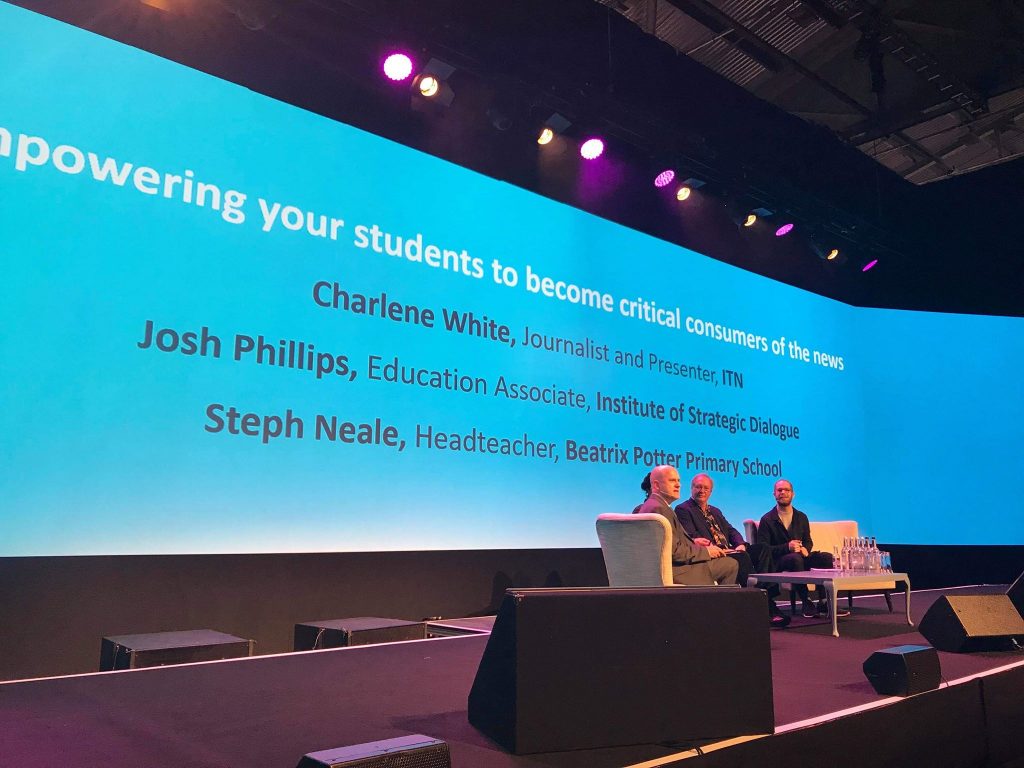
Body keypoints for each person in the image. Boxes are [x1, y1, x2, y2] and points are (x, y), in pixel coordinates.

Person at [676, 473, 790, 628]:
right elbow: (691, 535)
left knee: (762, 549)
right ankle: (767, 609)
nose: (701, 490)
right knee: (742, 559)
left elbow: (731, 531)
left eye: (705, 488)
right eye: (698, 487)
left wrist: (740, 543)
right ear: (691, 489)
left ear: (711, 492)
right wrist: (716, 547)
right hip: (714, 552)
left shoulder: (715, 511)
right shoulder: (683, 509)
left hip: (730, 550)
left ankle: (766, 595)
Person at [633, 465, 739, 587]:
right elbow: (674, 551)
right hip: (677, 571)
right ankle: (717, 605)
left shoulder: (654, 505)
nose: (678, 485)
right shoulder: (659, 508)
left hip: (673, 566)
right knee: (730, 564)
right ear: (656, 485)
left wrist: (694, 543)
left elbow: (670, 544)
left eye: (678, 481)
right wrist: (706, 552)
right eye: (672, 481)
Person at [757, 478, 836, 617]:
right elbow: (764, 549)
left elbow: (808, 541)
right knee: (795, 558)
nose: (783, 493)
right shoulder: (767, 519)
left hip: (800, 556)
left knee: (826, 558)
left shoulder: (801, 517)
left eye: (786, 490)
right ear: (774, 494)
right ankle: (806, 600)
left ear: (793, 494)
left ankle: (824, 601)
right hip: (779, 561)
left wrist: (806, 548)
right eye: (779, 490)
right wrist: (787, 547)